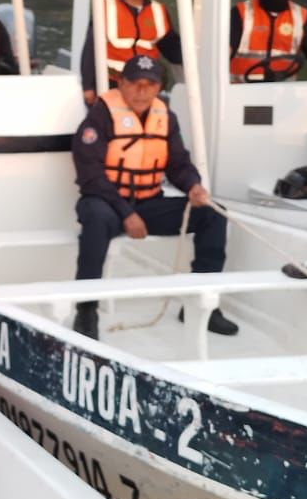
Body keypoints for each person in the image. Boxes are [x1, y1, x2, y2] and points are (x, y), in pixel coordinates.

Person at [70, 55, 234, 340]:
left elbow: (178, 164)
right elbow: (91, 176)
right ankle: (86, 310)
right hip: (106, 203)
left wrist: (193, 186)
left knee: (213, 212)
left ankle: (198, 304)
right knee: (96, 219)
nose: (142, 91)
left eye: (150, 84)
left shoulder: (165, 117)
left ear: (159, 87)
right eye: (135, 83)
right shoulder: (100, 116)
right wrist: (126, 213)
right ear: (121, 84)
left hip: (148, 203)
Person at [79, 0, 185, 102]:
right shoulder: (105, 6)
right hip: (112, 83)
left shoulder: (158, 11)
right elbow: (90, 48)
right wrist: (88, 87)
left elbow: (172, 49)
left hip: (147, 86)